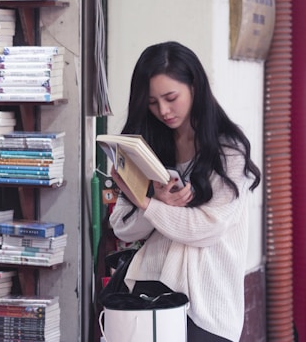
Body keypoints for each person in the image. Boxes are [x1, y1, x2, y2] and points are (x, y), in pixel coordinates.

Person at [108, 41, 261, 341]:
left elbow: (209, 227)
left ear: (195, 86)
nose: (163, 111)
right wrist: (154, 204)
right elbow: (122, 228)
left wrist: (149, 204)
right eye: (152, 102)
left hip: (206, 307)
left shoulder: (228, 150)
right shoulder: (145, 146)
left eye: (171, 97)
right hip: (147, 292)